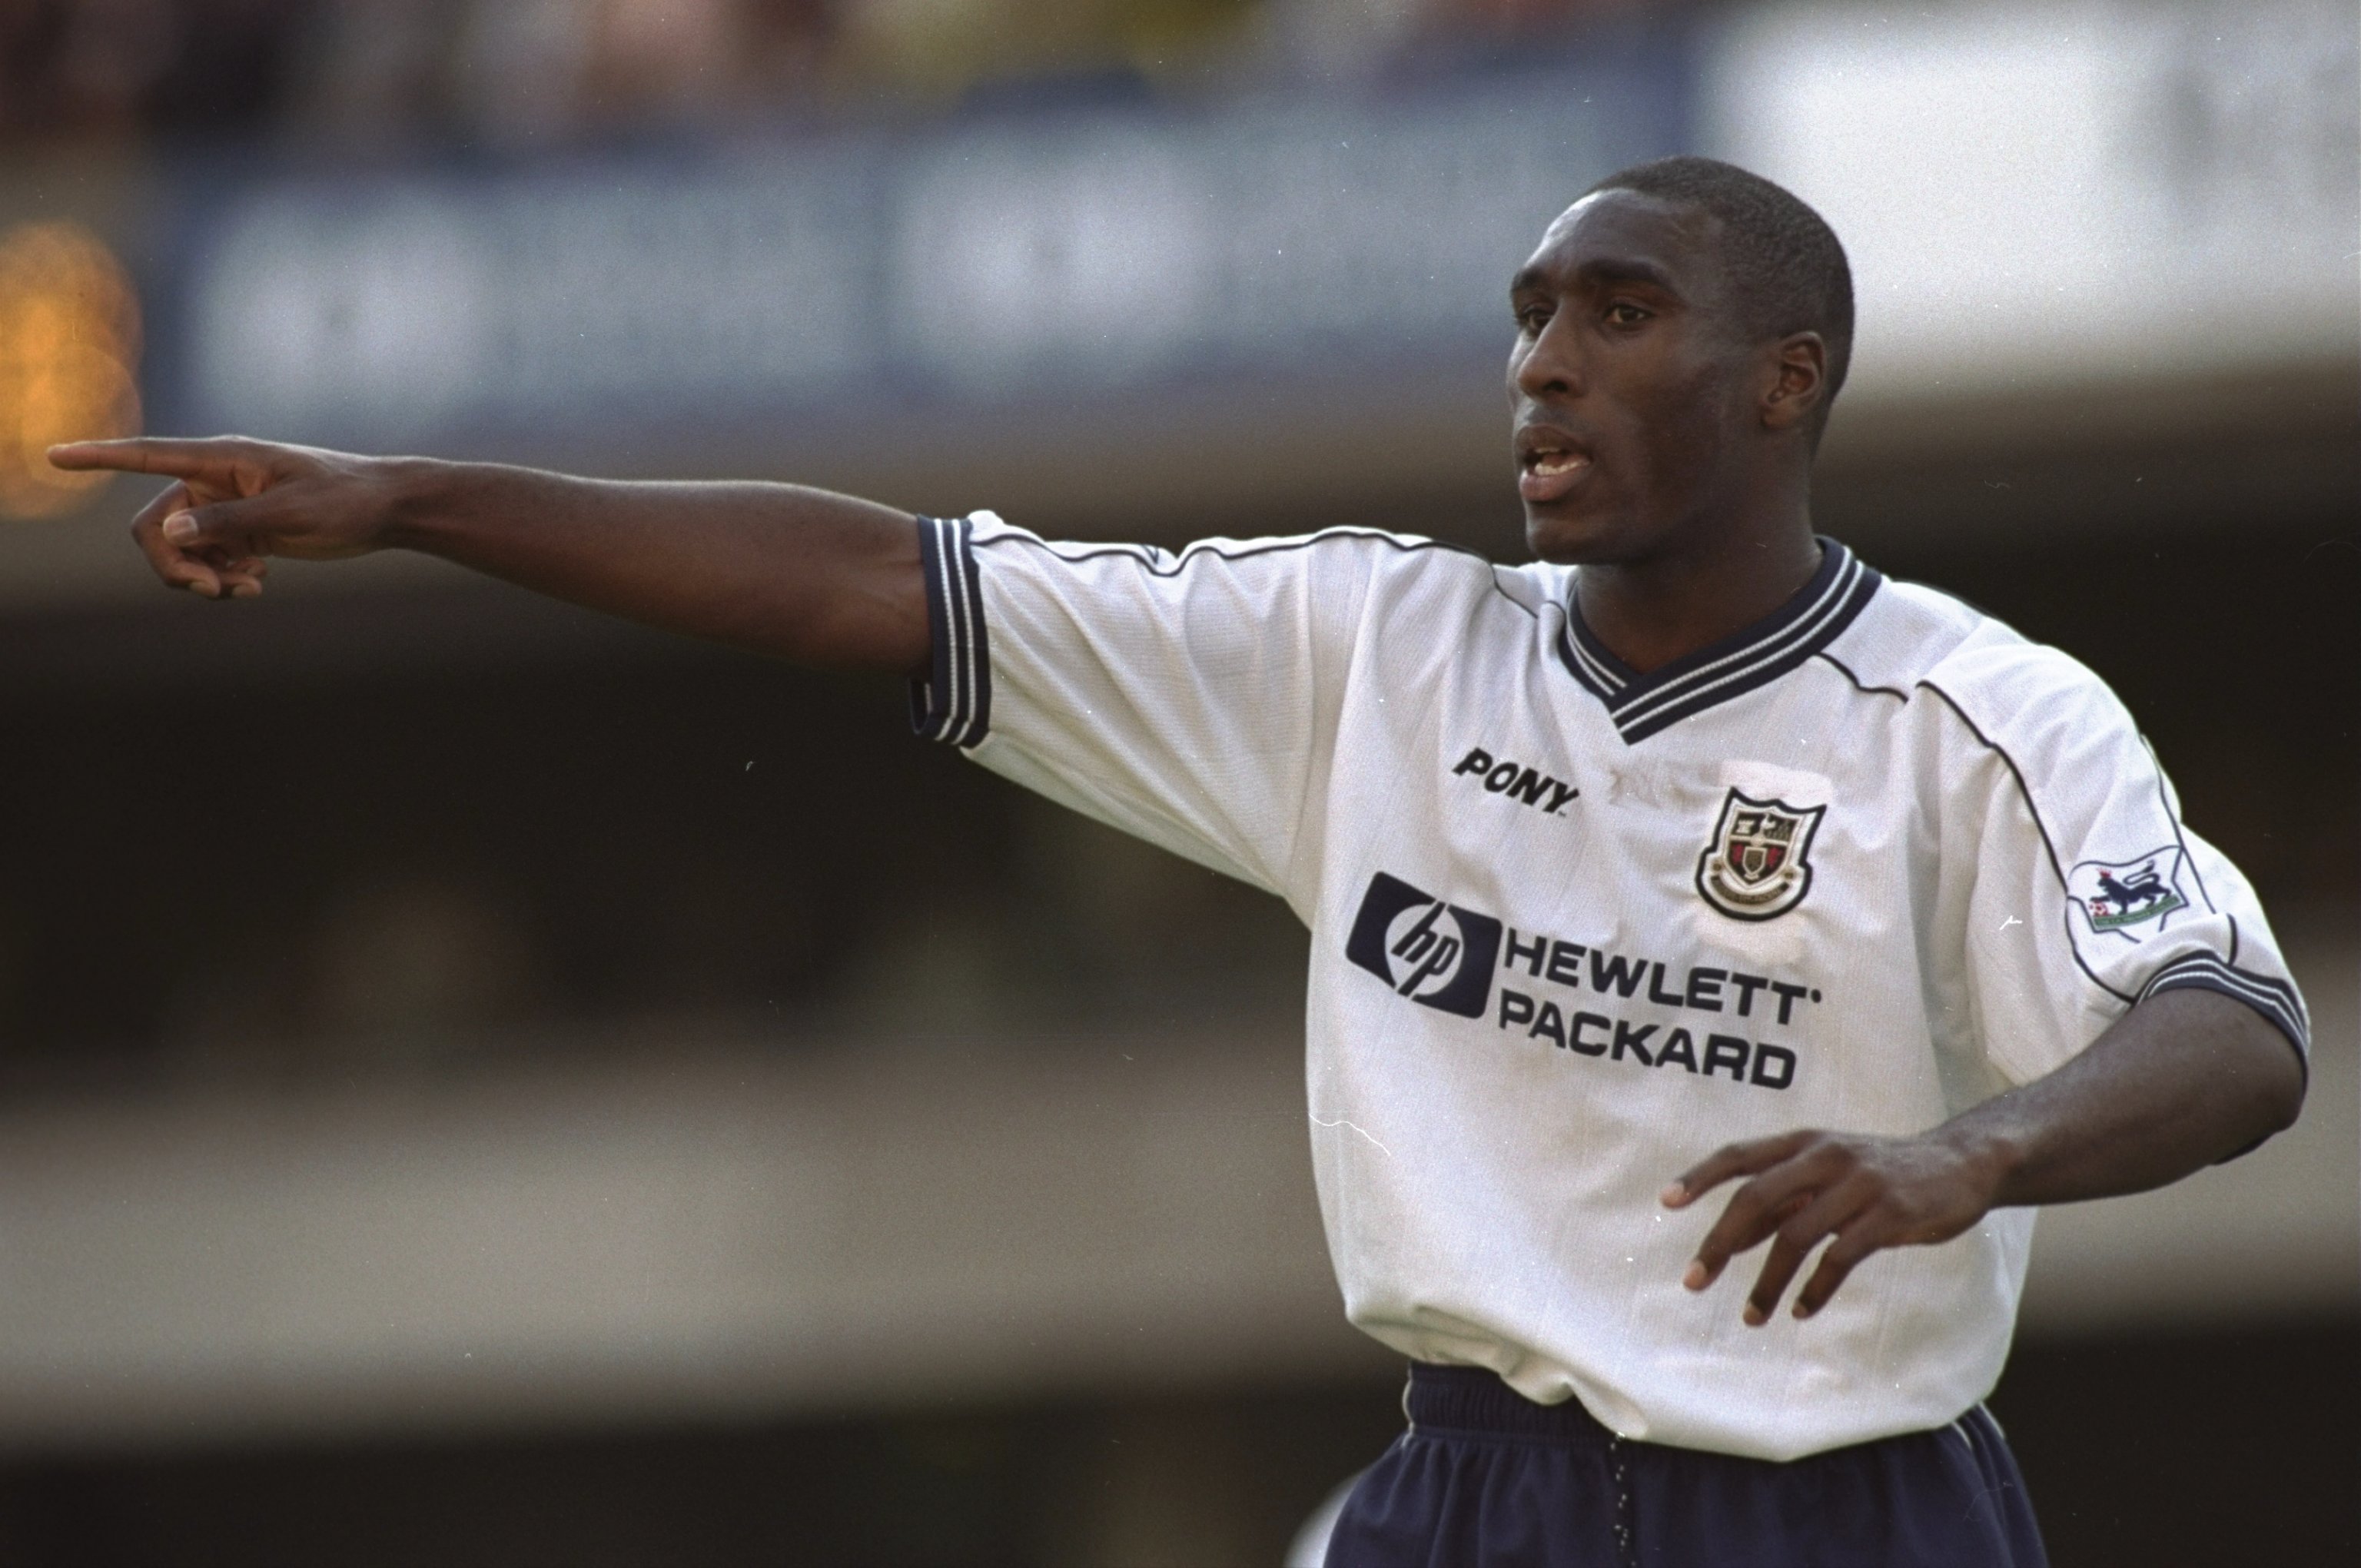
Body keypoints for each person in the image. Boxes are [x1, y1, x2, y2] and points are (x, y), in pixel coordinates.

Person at [50, 156, 2307, 1566]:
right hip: (1475, 1494)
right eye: (1528, 316)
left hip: (1851, 1514)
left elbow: (2234, 1031)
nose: (1543, 367)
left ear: (1787, 376)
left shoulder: (1974, 716)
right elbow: (872, 585)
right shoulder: (1366, 648)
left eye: (1619, 315)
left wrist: (1969, 1158)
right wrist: (411, 503)